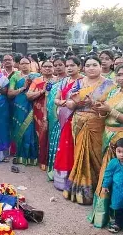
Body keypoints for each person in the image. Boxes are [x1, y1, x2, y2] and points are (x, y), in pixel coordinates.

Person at [89, 64, 123, 228]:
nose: (121, 78)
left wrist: (111, 110)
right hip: (108, 136)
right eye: (118, 75)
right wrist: (100, 109)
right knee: (108, 174)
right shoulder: (114, 91)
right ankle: (106, 215)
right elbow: (105, 113)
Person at [62, 56, 115, 205]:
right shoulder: (78, 83)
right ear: (84, 68)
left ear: (100, 67)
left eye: (94, 65)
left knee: (97, 155)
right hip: (79, 122)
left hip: (98, 123)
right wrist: (75, 102)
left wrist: (94, 103)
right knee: (79, 154)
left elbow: (111, 105)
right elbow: (69, 103)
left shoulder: (109, 84)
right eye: (88, 65)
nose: (91, 68)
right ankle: (79, 191)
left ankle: (97, 190)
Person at [53, 57, 83, 190]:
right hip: (64, 118)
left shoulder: (83, 82)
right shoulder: (65, 81)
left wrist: (63, 102)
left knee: (73, 147)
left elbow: (79, 102)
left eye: (73, 65)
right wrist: (64, 102)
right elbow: (56, 99)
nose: (69, 68)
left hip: (75, 119)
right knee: (64, 147)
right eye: (68, 65)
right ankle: (62, 180)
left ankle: (73, 179)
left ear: (79, 67)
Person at [100, 138, 123, 233]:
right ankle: (118, 224)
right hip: (117, 192)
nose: (121, 155)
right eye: (119, 151)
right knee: (118, 208)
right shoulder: (113, 163)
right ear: (115, 150)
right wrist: (105, 185)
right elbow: (108, 174)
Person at [8, 57, 41, 165]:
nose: (24, 65)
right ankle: (20, 155)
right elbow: (10, 93)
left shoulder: (37, 76)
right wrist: (23, 88)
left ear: (30, 64)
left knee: (31, 130)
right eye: (22, 63)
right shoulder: (15, 76)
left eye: (26, 63)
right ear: (19, 65)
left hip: (33, 105)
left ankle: (32, 156)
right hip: (19, 106)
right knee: (19, 129)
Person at [27, 60, 55, 170]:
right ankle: (42, 160)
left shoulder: (58, 80)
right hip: (39, 113)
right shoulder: (37, 81)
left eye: (50, 66)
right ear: (41, 68)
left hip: (54, 112)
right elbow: (28, 95)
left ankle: (52, 160)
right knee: (42, 135)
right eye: (45, 67)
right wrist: (41, 92)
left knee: (53, 135)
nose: (47, 68)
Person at [46, 58, 67, 180]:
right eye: (56, 65)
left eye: (61, 65)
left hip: (63, 115)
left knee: (61, 141)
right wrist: (45, 114)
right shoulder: (52, 81)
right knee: (53, 140)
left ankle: (60, 170)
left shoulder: (69, 81)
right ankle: (52, 167)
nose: (58, 67)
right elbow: (47, 98)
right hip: (51, 114)